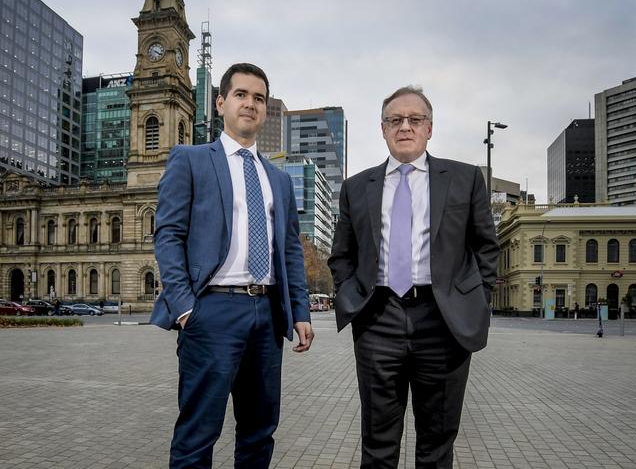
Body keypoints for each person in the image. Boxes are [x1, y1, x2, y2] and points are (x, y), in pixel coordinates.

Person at [151, 62, 314, 469]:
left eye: (259, 98)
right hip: (211, 311)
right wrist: (186, 308)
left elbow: (290, 250)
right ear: (221, 102)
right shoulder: (190, 160)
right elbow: (168, 235)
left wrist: (301, 311)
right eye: (241, 94)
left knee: (260, 432)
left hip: (267, 315)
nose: (250, 104)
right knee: (198, 433)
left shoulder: (277, 178)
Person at [328, 86, 499, 468]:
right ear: (383, 128)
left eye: (414, 119)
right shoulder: (356, 187)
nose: (404, 126)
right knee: (377, 440)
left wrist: (475, 299)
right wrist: (349, 295)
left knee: (437, 442)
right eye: (395, 120)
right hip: (378, 319)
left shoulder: (464, 179)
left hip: (443, 323)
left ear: (429, 128)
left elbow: (486, 247)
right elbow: (342, 254)